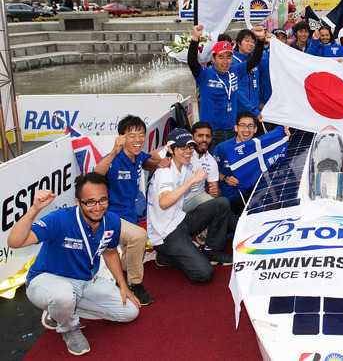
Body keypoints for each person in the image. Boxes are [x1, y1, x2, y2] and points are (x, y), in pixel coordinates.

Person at [8, 173, 140, 356]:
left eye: (103, 200)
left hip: (86, 281)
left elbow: (110, 252)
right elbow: (15, 242)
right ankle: (68, 327)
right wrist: (34, 210)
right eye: (90, 202)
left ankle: (60, 311)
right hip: (47, 280)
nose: (98, 207)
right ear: (78, 202)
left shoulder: (112, 222)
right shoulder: (59, 219)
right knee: (62, 295)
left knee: (130, 313)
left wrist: (123, 285)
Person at [147, 129, 233, 281]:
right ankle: (165, 255)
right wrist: (192, 181)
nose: (188, 152)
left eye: (190, 147)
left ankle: (212, 250)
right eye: (182, 148)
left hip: (180, 220)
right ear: (171, 149)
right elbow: (164, 202)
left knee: (221, 203)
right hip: (166, 234)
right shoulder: (165, 172)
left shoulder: (183, 166)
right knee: (204, 273)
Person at [94, 115, 162, 306]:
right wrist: (113, 153)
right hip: (110, 217)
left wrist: (159, 164)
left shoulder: (138, 156)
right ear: (121, 137)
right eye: (132, 135)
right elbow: (95, 176)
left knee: (134, 248)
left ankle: (121, 264)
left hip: (130, 214)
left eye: (141, 134)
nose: (138, 139)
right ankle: (135, 283)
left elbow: (148, 161)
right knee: (139, 236)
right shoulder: (113, 159)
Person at [187, 24, 265, 150]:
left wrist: (260, 40)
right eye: (221, 57)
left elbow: (254, 61)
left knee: (230, 166)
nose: (225, 61)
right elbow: (192, 62)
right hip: (211, 132)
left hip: (231, 130)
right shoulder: (204, 74)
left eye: (229, 57)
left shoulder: (235, 70)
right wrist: (195, 38)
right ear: (213, 58)